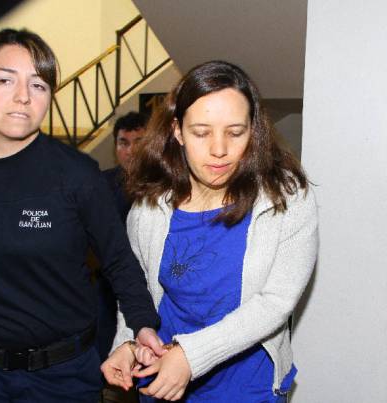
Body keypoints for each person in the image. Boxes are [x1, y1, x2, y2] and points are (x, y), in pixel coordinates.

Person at [0, 28, 162, 403]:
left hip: (62, 376)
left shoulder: (77, 175)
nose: (23, 96)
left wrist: (142, 324)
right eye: (5, 80)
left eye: (38, 85)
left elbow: (118, 259)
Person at [101, 60, 319, 402]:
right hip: (162, 377)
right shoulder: (150, 206)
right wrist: (127, 343)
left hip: (247, 388)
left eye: (235, 132)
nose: (219, 149)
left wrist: (190, 356)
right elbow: (135, 288)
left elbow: (276, 301)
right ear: (178, 131)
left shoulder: (286, 199)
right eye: (201, 132)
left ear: (254, 130)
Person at [98, 111, 148, 403]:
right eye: (123, 143)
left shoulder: (165, 185)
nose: (130, 150)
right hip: (107, 290)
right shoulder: (100, 185)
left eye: (139, 142)